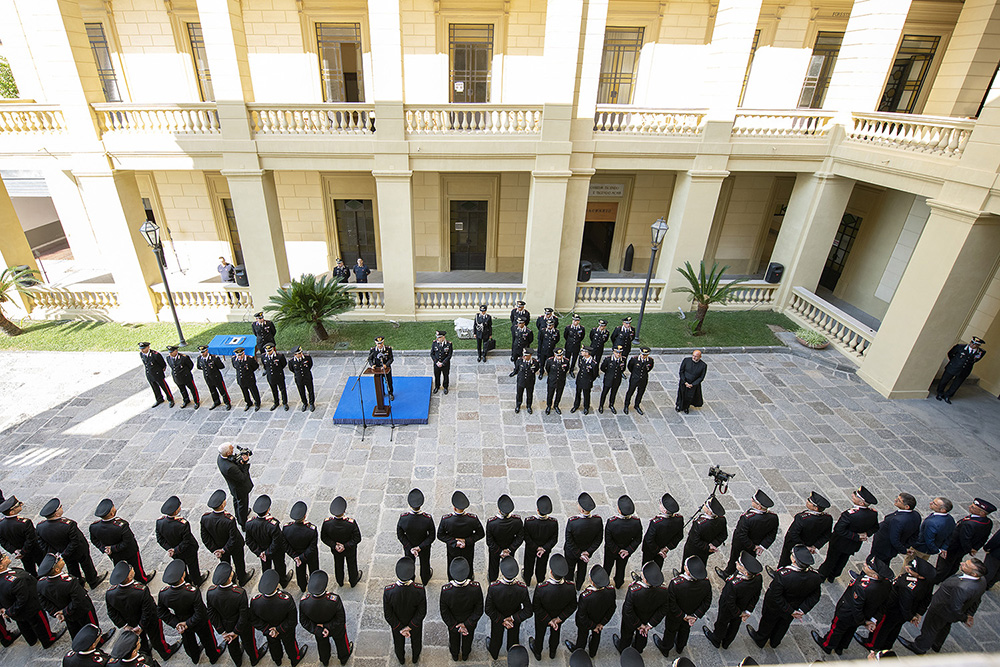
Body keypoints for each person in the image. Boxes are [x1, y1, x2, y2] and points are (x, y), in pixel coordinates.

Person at [899, 557, 988, 655]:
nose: (962, 563)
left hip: (941, 610)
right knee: (944, 627)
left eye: (966, 565)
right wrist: (970, 613)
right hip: (949, 615)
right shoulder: (982, 580)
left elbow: (955, 607)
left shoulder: (963, 587)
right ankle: (936, 644)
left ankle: (919, 647)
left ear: (974, 574)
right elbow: (977, 598)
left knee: (929, 629)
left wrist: (965, 618)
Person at [812, 555, 894, 655]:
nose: (865, 565)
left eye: (869, 567)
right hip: (864, 615)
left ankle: (827, 645)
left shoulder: (863, 587)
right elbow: (883, 604)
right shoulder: (886, 585)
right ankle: (840, 647)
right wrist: (872, 620)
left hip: (848, 613)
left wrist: (864, 622)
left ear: (875, 576)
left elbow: (857, 607)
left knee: (837, 629)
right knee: (850, 631)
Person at [745, 546, 823, 649]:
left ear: (794, 560)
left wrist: (790, 610)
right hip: (794, 607)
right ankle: (775, 642)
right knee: (783, 625)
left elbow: (776, 596)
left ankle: (760, 639)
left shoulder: (784, 575)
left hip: (775, 607)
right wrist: (801, 610)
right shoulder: (815, 577)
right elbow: (815, 596)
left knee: (767, 622)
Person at [857, 557, 935, 653]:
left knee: (882, 628)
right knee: (895, 629)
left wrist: (910, 617)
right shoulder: (928, 581)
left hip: (893, 610)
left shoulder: (907, 586)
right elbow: (927, 598)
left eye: (911, 569)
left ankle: (872, 644)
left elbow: (905, 605)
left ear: (920, 576)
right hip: (906, 612)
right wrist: (919, 613)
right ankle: (887, 645)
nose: (907, 568)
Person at [105, 562, 178, 662]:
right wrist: (141, 626)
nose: (132, 569)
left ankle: (145, 653)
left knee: (140, 640)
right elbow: (148, 610)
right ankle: (165, 652)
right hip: (149, 621)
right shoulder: (141, 591)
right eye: (131, 569)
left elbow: (111, 613)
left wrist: (125, 625)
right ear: (129, 577)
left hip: (130, 622)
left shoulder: (110, 593)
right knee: (156, 638)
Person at [37, 554, 114, 643]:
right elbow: (78, 599)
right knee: (91, 626)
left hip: (67, 615)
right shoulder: (69, 582)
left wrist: (56, 613)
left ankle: (81, 643)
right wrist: (65, 611)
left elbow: (43, 602)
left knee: (74, 630)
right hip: (82, 610)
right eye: (58, 560)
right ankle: (98, 641)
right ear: (57, 570)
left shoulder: (40, 584)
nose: (61, 559)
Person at [36, 498, 107, 590]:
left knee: (71, 567)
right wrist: (66, 552)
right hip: (78, 550)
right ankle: (93, 581)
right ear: (57, 514)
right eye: (60, 507)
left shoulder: (40, 527)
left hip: (61, 552)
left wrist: (58, 553)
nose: (62, 508)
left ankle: (78, 582)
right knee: (86, 564)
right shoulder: (68, 525)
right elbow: (75, 541)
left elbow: (41, 543)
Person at [0, 550, 64, 648]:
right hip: (31, 607)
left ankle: (31, 639)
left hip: (15, 611)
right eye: (4, 557)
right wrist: (10, 611)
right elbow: (22, 599)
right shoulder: (14, 581)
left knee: (23, 624)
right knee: (40, 623)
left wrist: (7, 610)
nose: (6, 557)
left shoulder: (7, 576)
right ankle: (48, 639)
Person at [818, 486, 880, 582]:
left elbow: (838, 529)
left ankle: (821, 576)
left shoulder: (849, 514)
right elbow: (876, 527)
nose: (852, 495)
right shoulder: (873, 514)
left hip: (839, 542)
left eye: (855, 496)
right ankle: (833, 576)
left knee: (831, 560)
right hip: (853, 545)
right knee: (843, 560)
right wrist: (866, 534)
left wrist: (856, 536)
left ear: (861, 503)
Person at [654, 556, 712, 657]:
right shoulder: (706, 583)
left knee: (670, 631)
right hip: (691, 614)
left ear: (687, 571)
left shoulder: (676, 584)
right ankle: (680, 647)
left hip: (675, 615)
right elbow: (707, 602)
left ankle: (666, 648)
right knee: (685, 630)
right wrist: (694, 616)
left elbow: (671, 603)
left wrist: (683, 615)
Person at [702, 552, 762, 650]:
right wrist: (747, 611)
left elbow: (729, 601)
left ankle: (716, 639)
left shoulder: (734, 585)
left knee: (722, 623)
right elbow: (756, 595)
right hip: (742, 607)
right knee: (735, 625)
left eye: (739, 564)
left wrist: (738, 613)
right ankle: (727, 643)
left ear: (746, 573)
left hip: (728, 609)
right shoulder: (758, 578)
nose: (736, 563)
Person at [250, 569, 309, 666]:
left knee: (273, 645)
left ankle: (277, 660)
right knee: (290, 645)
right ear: (277, 586)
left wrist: (268, 630)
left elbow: (254, 620)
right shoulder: (286, 600)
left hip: (269, 631)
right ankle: (294, 659)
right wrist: (278, 629)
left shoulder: (255, 601)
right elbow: (292, 620)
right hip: (285, 630)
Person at [89, 499, 155, 584]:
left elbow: (94, 540)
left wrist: (104, 549)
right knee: (137, 567)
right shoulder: (121, 526)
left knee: (120, 567)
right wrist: (112, 548)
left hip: (114, 555)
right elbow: (128, 541)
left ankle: (124, 580)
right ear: (112, 513)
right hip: (129, 552)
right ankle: (143, 580)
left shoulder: (94, 526)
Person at [201, 490, 255, 588]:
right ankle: (242, 577)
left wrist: (216, 550)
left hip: (219, 547)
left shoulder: (205, 518)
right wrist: (224, 549)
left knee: (225, 563)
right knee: (239, 562)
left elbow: (205, 537)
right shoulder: (229, 520)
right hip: (234, 547)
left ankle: (230, 579)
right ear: (223, 504)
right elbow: (233, 537)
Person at [719, 490, 778, 579]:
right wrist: (762, 546)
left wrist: (752, 546)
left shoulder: (748, 519)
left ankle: (727, 574)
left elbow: (741, 535)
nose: (751, 500)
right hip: (756, 545)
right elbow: (772, 534)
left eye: (754, 501)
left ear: (759, 506)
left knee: (735, 559)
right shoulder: (773, 517)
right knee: (749, 560)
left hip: (741, 544)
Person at [529, 553, 578, 660]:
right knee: (555, 633)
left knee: (540, 634)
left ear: (551, 572)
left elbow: (536, 607)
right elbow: (573, 605)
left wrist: (548, 620)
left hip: (542, 618)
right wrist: (559, 618)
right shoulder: (570, 587)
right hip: (558, 617)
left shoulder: (541, 588)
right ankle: (552, 652)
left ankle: (538, 652)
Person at [934, 497, 995, 583]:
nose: (970, 507)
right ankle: (948, 576)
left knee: (944, 565)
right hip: (961, 550)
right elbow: (984, 537)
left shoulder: (969, 524)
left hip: (953, 547)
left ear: (982, 513)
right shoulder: (988, 522)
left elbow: (965, 539)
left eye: (973, 507)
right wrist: (975, 548)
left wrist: (969, 549)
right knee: (955, 563)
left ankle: (936, 579)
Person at [300, 570, 352, 667]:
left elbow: (303, 621)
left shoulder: (304, 602)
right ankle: (343, 658)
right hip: (335, 628)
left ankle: (325, 660)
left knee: (322, 644)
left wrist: (318, 629)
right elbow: (341, 619)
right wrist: (327, 627)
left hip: (318, 630)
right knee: (341, 641)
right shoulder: (334, 600)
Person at [614, 561, 667, 654]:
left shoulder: (634, 591)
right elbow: (663, 609)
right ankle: (638, 649)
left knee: (626, 634)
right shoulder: (663, 591)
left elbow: (627, 610)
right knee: (642, 636)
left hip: (632, 620)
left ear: (645, 580)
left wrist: (638, 625)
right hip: (647, 620)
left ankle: (623, 648)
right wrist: (649, 625)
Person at [484, 556, 532, 660]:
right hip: (514, 618)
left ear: (502, 572)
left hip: (497, 617)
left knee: (496, 636)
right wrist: (513, 618)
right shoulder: (522, 588)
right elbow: (528, 611)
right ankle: (512, 653)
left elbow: (488, 609)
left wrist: (502, 620)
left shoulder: (494, 588)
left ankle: (494, 653)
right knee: (513, 638)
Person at [155, 496, 208, 587]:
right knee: (193, 566)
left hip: (175, 553)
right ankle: (197, 581)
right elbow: (186, 540)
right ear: (176, 511)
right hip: (188, 550)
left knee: (181, 566)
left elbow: (160, 539)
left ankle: (186, 580)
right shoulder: (182, 524)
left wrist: (170, 549)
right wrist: (175, 550)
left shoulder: (160, 522)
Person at [773, 491, 832, 571]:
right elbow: (826, 535)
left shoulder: (802, 518)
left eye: (809, 501)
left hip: (794, 544)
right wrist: (814, 546)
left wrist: (803, 546)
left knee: (786, 560)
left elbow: (793, 534)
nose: (807, 501)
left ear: (815, 508)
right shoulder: (828, 518)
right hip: (809, 546)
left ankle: (780, 572)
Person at [566, 565, 615, 657]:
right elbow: (612, 608)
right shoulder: (611, 591)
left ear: (592, 581)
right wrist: (601, 624)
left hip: (586, 623)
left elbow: (582, 615)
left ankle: (579, 651)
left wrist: (593, 626)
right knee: (596, 635)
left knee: (582, 636)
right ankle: (593, 652)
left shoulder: (586, 597)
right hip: (600, 621)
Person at [383, 557, 426, 665]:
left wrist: (400, 628)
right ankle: (415, 658)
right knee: (416, 641)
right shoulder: (419, 590)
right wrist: (410, 626)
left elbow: (388, 614)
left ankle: (401, 659)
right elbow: (422, 612)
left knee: (398, 643)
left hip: (397, 624)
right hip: (415, 624)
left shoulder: (389, 591)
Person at [440, 557, 484, 661]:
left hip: (453, 622)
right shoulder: (475, 588)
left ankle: (455, 655)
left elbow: (444, 612)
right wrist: (467, 624)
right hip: (470, 621)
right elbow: (479, 609)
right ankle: (465, 654)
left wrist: (454, 625)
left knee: (453, 638)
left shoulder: (446, 591)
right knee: (468, 638)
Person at [246, 495, 291, 588]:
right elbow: (277, 541)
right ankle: (283, 581)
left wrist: (259, 552)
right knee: (279, 566)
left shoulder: (250, 523)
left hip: (261, 551)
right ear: (268, 509)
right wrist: (267, 552)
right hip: (275, 552)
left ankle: (268, 583)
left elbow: (249, 540)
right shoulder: (273, 525)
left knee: (265, 566)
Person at [438, 491, 486, 574]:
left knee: (452, 564)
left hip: (453, 548)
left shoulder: (446, 520)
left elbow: (440, 535)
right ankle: (469, 577)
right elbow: (480, 534)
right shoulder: (473, 519)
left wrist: (454, 542)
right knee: (468, 563)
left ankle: (451, 578)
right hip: (468, 547)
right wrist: (466, 541)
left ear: (454, 508)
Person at [321, 497, 363, 587]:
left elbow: (324, 538)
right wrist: (345, 546)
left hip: (336, 550)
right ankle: (353, 581)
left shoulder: (327, 523)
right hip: (349, 549)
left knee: (338, 564)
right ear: (344, 511)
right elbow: (357, 538)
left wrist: (334, 545)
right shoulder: (350, 523)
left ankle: (340, 581)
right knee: (352, 564)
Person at [869, 492, 921, 566]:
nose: (895, 500)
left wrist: (904, 550)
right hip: (890, 550)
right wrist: (906, 545)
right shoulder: (916, 515)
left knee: (875, 564)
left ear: (906, 507)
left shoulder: (898, 520)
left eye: (899, 500)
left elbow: (894, 539)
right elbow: (916, 534)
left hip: (883, 547)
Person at [0, 495, 46, 577]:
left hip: (21, 554)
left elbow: (3, 541)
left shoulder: (1, 525)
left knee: (30, 570)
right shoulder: (25, 523)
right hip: (35, 550)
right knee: (43, 567)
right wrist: (23, 551)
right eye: (17, 505)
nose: (20, 505)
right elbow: (31, 539)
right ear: (12, 512)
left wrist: (15, 551)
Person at [397, 489, 435, 586]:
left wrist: (410, 548)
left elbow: (400, 535)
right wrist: (420, 547)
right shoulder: (427, 518)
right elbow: (432, 536)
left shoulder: (403, 518)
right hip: (424, 547)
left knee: (409, 563)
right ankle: (425, 578)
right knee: (425, 563)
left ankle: (410, 579)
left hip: (409, 545)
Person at [566, 493, 603, 591]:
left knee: (570, 568)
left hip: (572, 552)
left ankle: (569, 585)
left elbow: (569, 540)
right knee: (582, 569)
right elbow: (598, 539)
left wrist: (579, 553)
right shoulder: (598, 521)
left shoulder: (572, 522)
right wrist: (588, 552)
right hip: (586, 553)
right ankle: (579, 585)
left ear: (582, 510)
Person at [604, 495, 642, 589]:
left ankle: (604, 582)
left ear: (619, 510)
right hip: (625, 552)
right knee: (621, 568)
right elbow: (638, 539)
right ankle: (618, 583)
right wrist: (628, 550)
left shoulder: (612, 522)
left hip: (611, 551)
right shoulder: (636, 522)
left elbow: (608, 540)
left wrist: (617, 550)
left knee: (607, 566)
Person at [486, 495, 524, 583]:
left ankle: (492, 580)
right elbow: (520, 537)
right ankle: (508, 578)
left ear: (499, 510)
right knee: (509, 564)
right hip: (510, 549)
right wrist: (510, 549)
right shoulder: (517, 521)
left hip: (495, 549)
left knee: (493, 566)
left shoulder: (492, 523)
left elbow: (489, 541)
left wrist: (500, 551)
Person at [935, 337, 985, 403]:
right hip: (953, 367)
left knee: (956, 384)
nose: (972, 345)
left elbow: (976, 360)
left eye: (975, 344)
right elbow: (950, 354)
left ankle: (948, 395)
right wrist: (955, 362)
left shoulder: (981, 352)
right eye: (972, 342)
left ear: (978, 345)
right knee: (944, 380)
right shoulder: (960, 347)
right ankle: (940, 393)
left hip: (965, 370)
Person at [283, 501, 319, 592]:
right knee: (314, 570)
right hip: (310, 555)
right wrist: (302, 557)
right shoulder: (311, 530)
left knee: (300, 572)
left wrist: (296, 557)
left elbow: (285, 545)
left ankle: (302, 587)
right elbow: (312, 547)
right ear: (305, 516)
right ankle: (315, 586)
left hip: (296, 555)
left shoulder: (286, 529)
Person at [217, 442, 254, 531]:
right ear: (228, 453)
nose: (233, 448)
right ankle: (243, 523)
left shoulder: (220, 458)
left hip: (233, 487)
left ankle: (239, 516)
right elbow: (242, 477)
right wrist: (244, 463)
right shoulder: (230, 468)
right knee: (242, 505)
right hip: (240, 488)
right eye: (231, 449)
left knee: (237, 501)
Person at [523, 496, 558, 587]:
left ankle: (527, 580)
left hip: (531, 549)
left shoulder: (529, 521)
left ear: (537, 510)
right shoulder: (553, 523)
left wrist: (536, 547)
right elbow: (554, 539)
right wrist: (543, 548)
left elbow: (526, 537)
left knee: (528, 564)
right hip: (544, 551)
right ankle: (540, 581)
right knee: (542, 566)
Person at [641, 494, 683, 569]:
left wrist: (658, 550)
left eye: (661, 504)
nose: (659, 504)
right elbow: (679, 536)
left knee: (646, 566)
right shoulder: (679, 519)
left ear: (664, 511)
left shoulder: (656, 523)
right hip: (664, 549)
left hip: (651, 549)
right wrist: (667, 548)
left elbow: (649, 539)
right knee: (658, 565)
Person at [907, 497, 955, 563]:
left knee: (909, 564)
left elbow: (929, 540)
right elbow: (950, 535)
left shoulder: (931, 523)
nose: (930, 503)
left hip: (920, 548)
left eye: (934, 504)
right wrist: (944, 548)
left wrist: (938, 551)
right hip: (929, 550)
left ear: (943, 510)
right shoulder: (950, 519)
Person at [682, 497, 727, 566]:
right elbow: (723, 535)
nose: (704, 504)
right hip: (706, 550)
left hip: (693, 549)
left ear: (709, 512)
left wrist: (707, 547)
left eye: (706, 505)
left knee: (687, 563)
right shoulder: (722, 520)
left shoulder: (699, 524)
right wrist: (712, 545)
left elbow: (694, 539)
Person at [139, 342, 173, 408]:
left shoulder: (155, 355)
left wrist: (160, 371)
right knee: (154, 388)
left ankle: (170, 399)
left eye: (144, 348)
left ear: (148, 347)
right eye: (141, 349)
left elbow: (163, 364)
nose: (142, 350)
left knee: (164, 387)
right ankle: (159, 399)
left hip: (157, 374)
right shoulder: (141, 354)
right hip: (149, 374)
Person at [197, 345, 231, 410]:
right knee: (212, 391)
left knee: (222, 391)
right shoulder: (199, 358)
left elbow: (221, 366)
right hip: (208, 378)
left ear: (207, 351)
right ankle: (216, 401)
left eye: (203, 352)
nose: (202, 354)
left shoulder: (214, 358)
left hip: (216, 377)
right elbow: (199, 367)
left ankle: (227, 402)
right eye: (201, 352)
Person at [622, 347, 654, 415]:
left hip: (643, 379)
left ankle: (637, 405)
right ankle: (626, 405)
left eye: (645, 355)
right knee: (630, 392)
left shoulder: (650, 360)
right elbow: (630, 367)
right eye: (642, 354)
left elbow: (649, 368)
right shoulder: (634, 360)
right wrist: (635, 374)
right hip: (634, 379)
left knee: (640, 393)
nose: (643, 356)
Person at [674, 350, 705, 414]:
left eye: (696, 356)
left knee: (689, 396)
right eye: (693, 355)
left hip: (693, 385)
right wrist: (684, 381)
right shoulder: (686, 360)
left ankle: (686, 407)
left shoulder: (703, 365)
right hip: (684, 382)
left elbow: (701, 377)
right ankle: (679, 405)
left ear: (700, 357)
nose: (694, 357)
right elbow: (681, 371)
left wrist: (693, 384)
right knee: (681, 394)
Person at [599, 346, 627, 414]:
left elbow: (623, 369)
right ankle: (601, 405)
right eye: (617, 353)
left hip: (617, 379)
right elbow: (602, 368)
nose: (618, 354)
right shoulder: (608, 359)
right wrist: (609, 373)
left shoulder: (623, 359)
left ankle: (611, 405)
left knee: (613, 393)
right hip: (608, 379)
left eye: (620, 353)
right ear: (614, 352)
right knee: (604, 393)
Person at [232, 348, 262, 412]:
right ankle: (248, 402)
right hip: (241, 380)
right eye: (238, 355)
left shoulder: (249, 360)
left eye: (241, 355)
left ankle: (257, 403)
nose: (240, 357)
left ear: (243, 353)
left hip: (249, 379)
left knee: (254, 391)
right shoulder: (234, 359)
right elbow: (235, 366)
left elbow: (255, 366)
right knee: (245, 392)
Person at [261, 343, 289, 411]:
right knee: (274, 390)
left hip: (279, 376)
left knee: (282, 390)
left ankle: (285, 403)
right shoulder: (263, 357)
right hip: (270, 377)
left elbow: (283, 364)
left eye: (270, 351)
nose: (269, 352)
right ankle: (276, 402)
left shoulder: (279, 356)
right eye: (267, 351)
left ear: (273, 349)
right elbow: (265, 366)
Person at [572, 347, 598, 415]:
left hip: (587, 381)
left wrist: (589, 380)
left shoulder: (593, 363)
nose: (581, 352)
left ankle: (586, 407)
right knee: (578, 393)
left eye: (583, 351)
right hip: (580, 379)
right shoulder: (581, 358)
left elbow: (595, 374)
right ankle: (576, 405)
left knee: (586, 395)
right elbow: (580, 366)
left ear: (587, 353)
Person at [288, 346, 315, 412]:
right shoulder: (291, 361)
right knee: (301, 392)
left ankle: (311, 403)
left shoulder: (307, 358)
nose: (301, 354)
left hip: (307, 377)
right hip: (299, 379)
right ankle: (304, 403)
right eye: (299, 353)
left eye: (301, 352)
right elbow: (292, 369)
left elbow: (310, 365)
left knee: (310, 390)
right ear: (295, 354)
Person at [544, 348, 571, 415]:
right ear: (554, 355)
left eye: (560, 355)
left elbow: (566, 370)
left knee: (559, 394)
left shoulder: (566, 361)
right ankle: (549, 406)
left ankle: (556, 405)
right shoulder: (550, 361)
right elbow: (547, 369)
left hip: (561, 381)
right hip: (552, 380)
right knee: (550, 394)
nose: (559, 357)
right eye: (558, 355)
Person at [368, 336, 395, 400]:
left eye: (381, 343)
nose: (380, 345)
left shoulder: (388, 349)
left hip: (386, 369)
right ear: (376, 343)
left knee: (389, 381)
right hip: (377, 369)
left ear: (383, 342)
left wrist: (386, 365)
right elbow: (370, 359)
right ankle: (381, 393)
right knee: (379, 382)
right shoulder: (373, 350)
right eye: (378, 344)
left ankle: (390, 393)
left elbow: (391, 359)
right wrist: (372, 365)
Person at [514, 348, 540, 414]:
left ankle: (529, 406)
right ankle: (518, 405)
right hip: (521, 380)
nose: (524, 356)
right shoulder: (519, 361)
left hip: (530, 381)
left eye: (526, 355)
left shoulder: (535, 362)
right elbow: (517, 369)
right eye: (524, 355)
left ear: (530, 355)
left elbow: (536, 369)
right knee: (519, 394)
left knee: (529, 395)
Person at [430, 330, 453, 395]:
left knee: (446, 376)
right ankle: (437, 386)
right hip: (437, 364)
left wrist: (443, 363)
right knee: (437, 376)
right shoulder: (434, 343)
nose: (438, 339)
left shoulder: (448, 344)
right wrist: (436, 362)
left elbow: (449, 355)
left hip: (445, 364)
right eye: (437, 337)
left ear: (443, 337)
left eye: (439, 337)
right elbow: (432, 354)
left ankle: (445, 387)